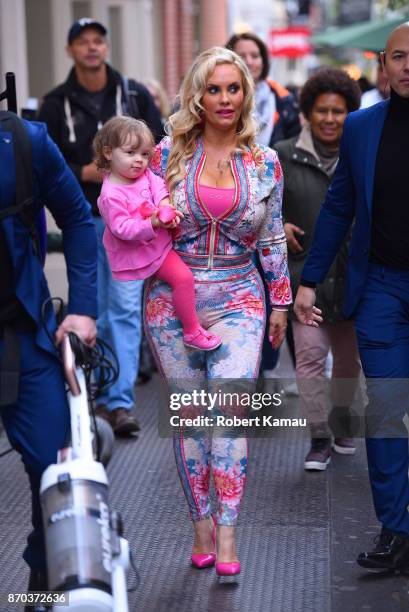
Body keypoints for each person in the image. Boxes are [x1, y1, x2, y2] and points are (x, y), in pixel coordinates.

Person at [146, 46, 291, 576]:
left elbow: (272, 237)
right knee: (189, 420)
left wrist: (281, 301)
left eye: (233, 89)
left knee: (227, 417)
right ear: (197, 96)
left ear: (245, 94)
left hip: (239, 296)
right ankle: (200, 525)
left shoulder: (264, 161)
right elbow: (131, 215)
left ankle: (228, 535)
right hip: (171, 299)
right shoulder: (164, 155)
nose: (224, 99)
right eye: (214, 89)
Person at [294, 23, 409, 571]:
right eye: (400, 56)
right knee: (385, 408)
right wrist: (309, 279)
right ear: (383, 65)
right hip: (382, 287)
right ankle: (396, 529)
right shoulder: (362, 128)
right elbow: (340, 207)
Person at [38, 18, 163, 437]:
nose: (92, 48)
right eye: (82, 42)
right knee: (88, 309)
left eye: (98, 41)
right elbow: (45, 164)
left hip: (132, 223)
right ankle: (89, 398)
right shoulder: (55, 104)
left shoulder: (133, 95)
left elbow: (160, 150)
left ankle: (120, 403)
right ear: (71, 50)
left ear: (106, 47)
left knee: (125, 310)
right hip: (82, 222)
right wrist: (86, 173)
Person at [0, 115, 97, 607]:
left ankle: (43, 581)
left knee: (53, 466)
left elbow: (78, 218)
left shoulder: (25, 142)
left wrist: (81, 309)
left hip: (20, 329)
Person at [275, 68, 362, 471]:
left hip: (353, 281)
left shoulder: (362, 154)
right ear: (308, 112)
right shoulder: (283, 154)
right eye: (322, 111)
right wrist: (278, 227)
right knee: (309, 360)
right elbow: (262, 214)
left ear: (350, 113)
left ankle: (342, 421)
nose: (330, 119)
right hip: (303, 281)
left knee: (347, 364)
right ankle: (319, 437)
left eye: (339, 111)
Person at [94, 116, 221, 350]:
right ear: (108, 152)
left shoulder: (143, 175)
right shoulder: (111, 194)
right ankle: (192, 331)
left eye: (144, 154)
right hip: (137, 253)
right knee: (129, 306)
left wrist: (164, 205)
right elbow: (122, 229)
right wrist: (152, 222)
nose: (139, 161)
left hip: (158, 244)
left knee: (179, 281)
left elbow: (158, 185)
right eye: (131, 153)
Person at [226, 32, 301, 386]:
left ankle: (265, 367)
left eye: (254, 54)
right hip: (227, 214)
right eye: (240, 54)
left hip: (269, 207)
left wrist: (283, 220)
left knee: (270, 288)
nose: (248, 60)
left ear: (263, 60)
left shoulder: (284, 103)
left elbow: (292, 169)